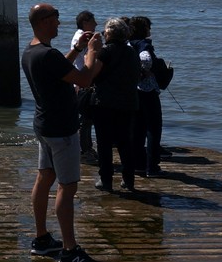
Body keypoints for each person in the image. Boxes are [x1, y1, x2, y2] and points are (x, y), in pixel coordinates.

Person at [21, 3, 105, 262]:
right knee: (67, 187)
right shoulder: (48, 55)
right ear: (45, 21)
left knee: (45, 176)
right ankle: (70, 251)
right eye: (56, 20)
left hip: (44, 125)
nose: (59, 24)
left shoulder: (32, 52)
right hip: (62, 129)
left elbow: (59, 70)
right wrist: (92, 53)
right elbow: (84, 79)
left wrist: (78, 49)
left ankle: (42, 238)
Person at [86, 17, 142, 193]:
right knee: (125, 142)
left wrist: (91, 51)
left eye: (105, 32)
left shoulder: (106, 52)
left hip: (105, 103)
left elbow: (91, 74)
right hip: (128, 102)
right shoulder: (131, 52)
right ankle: (128, 180)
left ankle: (106, 179)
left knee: (104, 143)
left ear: (109, 33)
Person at [129, 16, 164, 176]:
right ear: (144, 29)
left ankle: (138, 164)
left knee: (138, 129)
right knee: (153, 129)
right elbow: (146, 59)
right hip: (148, 91)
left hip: (134, 92)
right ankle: (152, 166)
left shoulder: (128, 44)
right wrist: (144, 72)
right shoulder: (143, 44)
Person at [70, 11, 101, 160]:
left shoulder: (81, 35)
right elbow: (90, 56)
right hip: (83, 80)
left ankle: (86, 148)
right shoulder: (82, 37)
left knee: (87, 117)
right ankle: (84, 150)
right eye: (93, 21)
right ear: (85, 22)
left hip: (83, 79)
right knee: (85, 117)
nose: (96, 24)